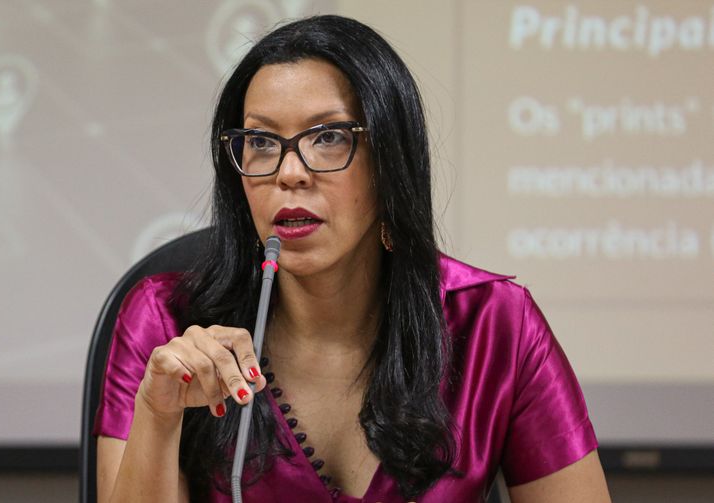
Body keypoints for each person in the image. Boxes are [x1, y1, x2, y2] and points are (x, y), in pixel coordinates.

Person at [94, 15, 611, 503]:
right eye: (260, 141)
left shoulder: (496, 324)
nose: (289, 172)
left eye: (329, 137)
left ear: (390, 162)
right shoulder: (165, 321)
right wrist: (158, 416)